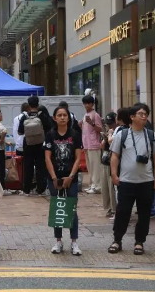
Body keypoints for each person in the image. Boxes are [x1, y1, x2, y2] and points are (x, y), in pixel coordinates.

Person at [108, 103, 155, 256]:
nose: (144, 116)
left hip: (146, 181)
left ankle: (139, 242)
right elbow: (115, 156)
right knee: (122, 212)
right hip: (126, 181)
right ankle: (117, 240)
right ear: (132, 117)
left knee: (144, 214)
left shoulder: (151, 135)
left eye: (146, 114)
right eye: (141, 114)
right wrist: (114, 174)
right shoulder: (122, 135)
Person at [45, 106, 83, 256]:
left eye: (64, 115)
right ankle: (58, 241)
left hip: (71, 178)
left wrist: (71, 177)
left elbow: (78, 158)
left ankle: (74, 242)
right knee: (57, 208)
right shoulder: (50, 135)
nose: (62, 117)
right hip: (54, 178)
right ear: (54, 118)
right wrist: (54, 177)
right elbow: (47, 158)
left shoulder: (75, 135)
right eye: (59, 115)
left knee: (72, 209)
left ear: (68, 117)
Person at [18, 96, 53, 196]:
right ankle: (40, 189)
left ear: (28, 105)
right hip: (40, 144)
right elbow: (50, 128)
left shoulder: (25, 116)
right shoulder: (42, 116)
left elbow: (20, 132)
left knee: (28, 166)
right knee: (40, 166)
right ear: (38, 104)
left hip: (28, 144)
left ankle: (26, 190)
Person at [80, 95, 103, 194]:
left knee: (95, 166)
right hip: (87, 144)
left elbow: (100, 129)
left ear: (92, 104)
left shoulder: (95, 115)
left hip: (94, 144)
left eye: (89, 103)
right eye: (85, 103)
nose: (87, 105)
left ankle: (97, 186)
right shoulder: (85, 115)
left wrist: (92, 123)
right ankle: (92, 184)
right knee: (90, 167)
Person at [100, 112, 117, 218]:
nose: (110, 126)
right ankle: (109, 207)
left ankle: (114, 208)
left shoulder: (118, 132)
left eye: (111, 123)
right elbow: (102, 146)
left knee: (112, 187)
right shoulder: (108, 132)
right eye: (108, 124)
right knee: (105, 186)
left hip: (112, 161)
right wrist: (105, 138)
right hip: (105, 160)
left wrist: (110, 135)